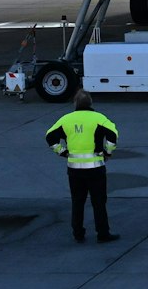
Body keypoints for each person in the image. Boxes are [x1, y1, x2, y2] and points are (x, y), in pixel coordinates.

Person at [45, 91, 120, 244]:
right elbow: (113, 135)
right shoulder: (99, 118)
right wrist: (108, 152)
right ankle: (102, 233)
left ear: (75, 104)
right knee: (99, 202)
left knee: (77, 202)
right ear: (90, 103)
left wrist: (62, 152)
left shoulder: (66, 119)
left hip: (74, 169)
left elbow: (50, 136)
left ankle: (78, 233)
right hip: (95, 168)